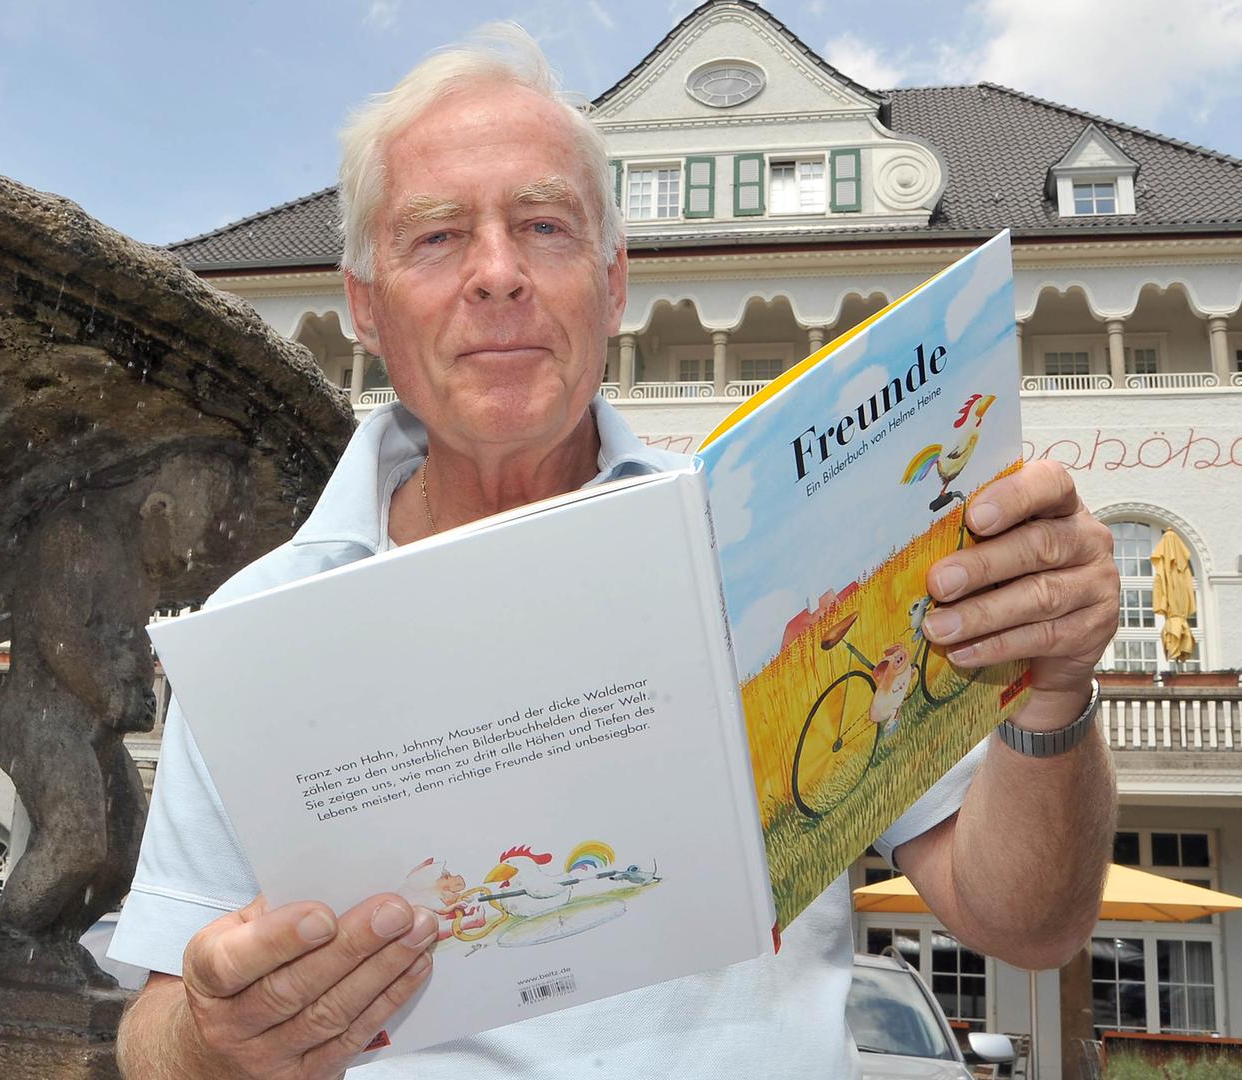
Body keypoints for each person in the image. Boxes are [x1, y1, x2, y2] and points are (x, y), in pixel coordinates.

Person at [108, 24, 1117, 1079]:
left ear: (614, 282)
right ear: (364, 306)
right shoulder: (258, 623)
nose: (497, 275)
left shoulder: (769, 536)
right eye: (438, 237)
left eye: (543, 226)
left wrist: (1052, 695)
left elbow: (1031, 926)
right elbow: (157, 1033)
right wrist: (206, 1039)